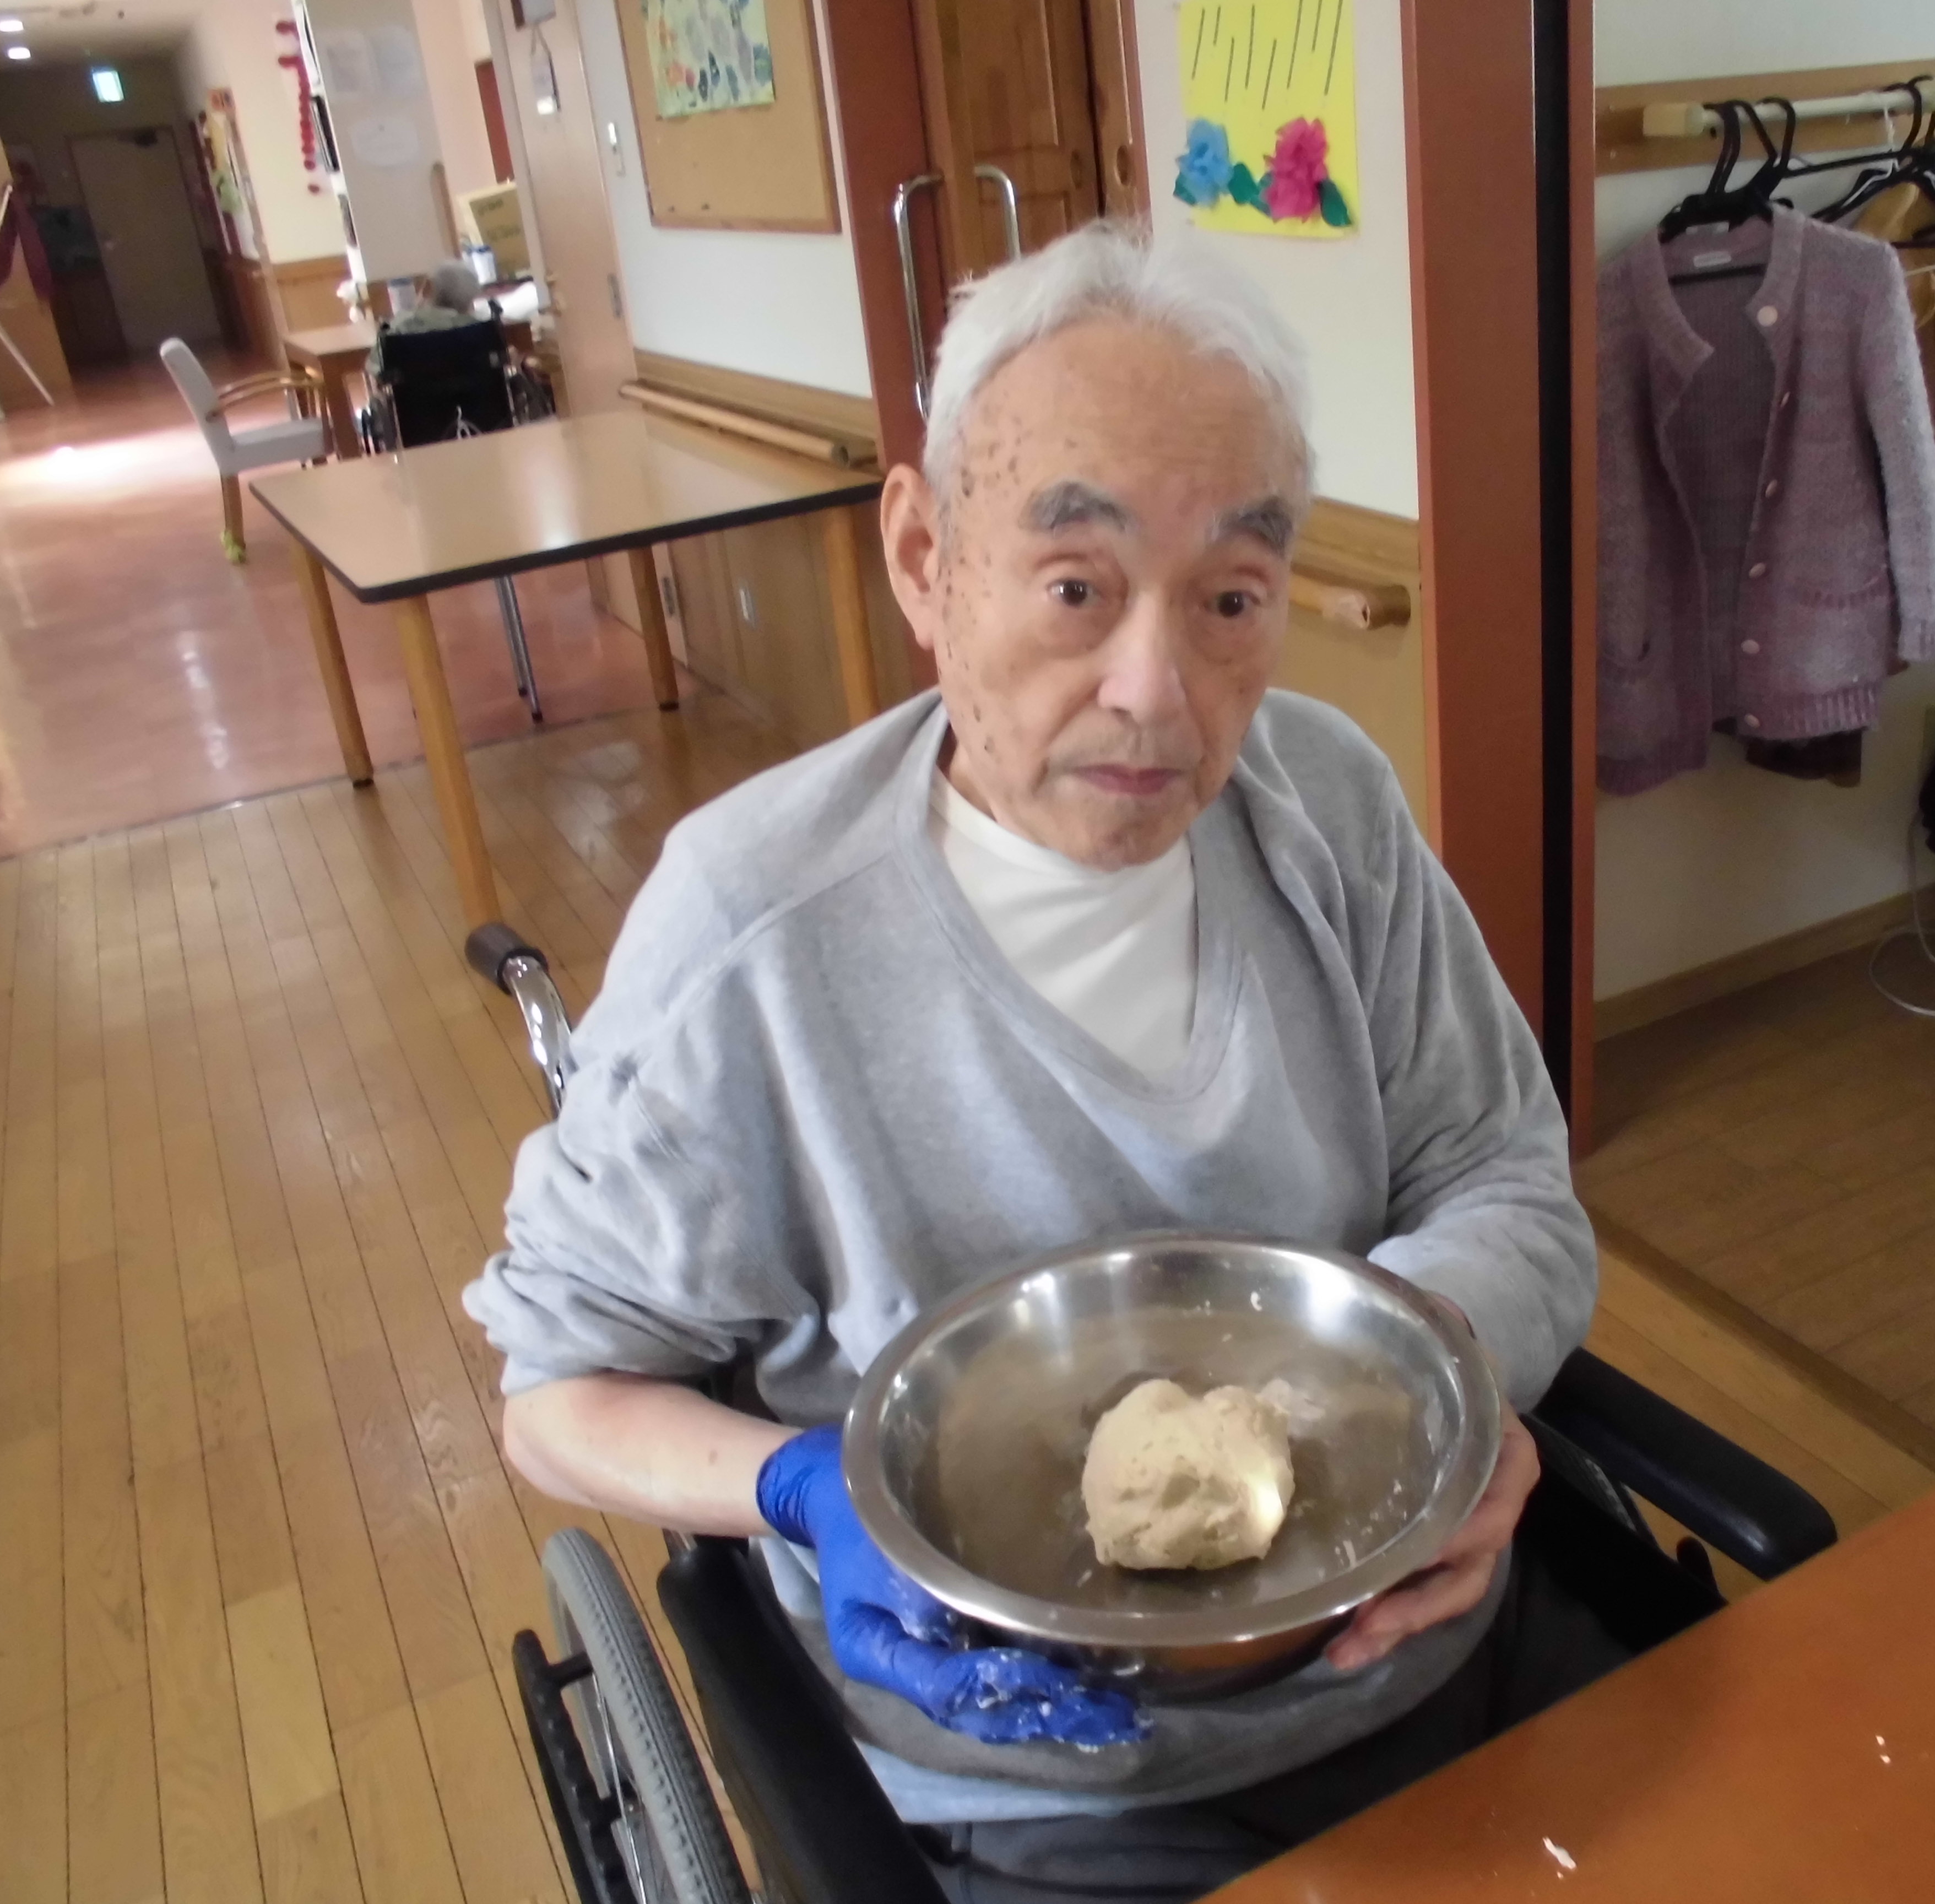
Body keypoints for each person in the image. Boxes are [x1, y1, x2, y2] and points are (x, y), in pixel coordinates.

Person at [464, 221, 1616, 1901]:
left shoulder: (1327, 806)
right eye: (1076, 587)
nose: (1157, 691)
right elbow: (556, 1397)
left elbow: (1505, 1174)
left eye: (1231, 599)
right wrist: (795, 1484)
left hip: (1441, 1660)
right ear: (925, 559)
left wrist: (1457, 1385)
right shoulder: (752, 937)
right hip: (1050, 1795)